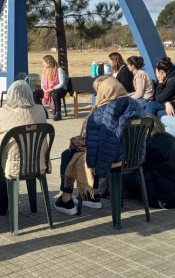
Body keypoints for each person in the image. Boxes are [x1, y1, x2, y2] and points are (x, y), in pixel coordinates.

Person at [54, 76, 145, 215]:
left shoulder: (101, 113)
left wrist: (74, 142)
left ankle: (67, 199)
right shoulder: (135, 105)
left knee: (68, 154)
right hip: (133, 158)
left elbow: (92, 142)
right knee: (94, 150)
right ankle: (91, 195)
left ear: (104, 92)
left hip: (112, 160)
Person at [0, 80, 48, 215]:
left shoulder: (3, 113)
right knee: (6, 155)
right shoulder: (40, 110)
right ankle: (31, 205)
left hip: (11, 165)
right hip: (37, 163)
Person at [123, 115, 175, 209]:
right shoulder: (171, 138)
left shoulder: (150, 147)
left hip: (170, 199)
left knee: (124, 173)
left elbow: (136, 168)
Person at [40, 55, 68, 121]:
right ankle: (43, 111)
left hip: (59, 89)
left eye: (44, 62)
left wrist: (52, 89)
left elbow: (62, 83)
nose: (43, 64)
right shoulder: (44, 71)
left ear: (48, 62)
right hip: (47, 89)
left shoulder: (59, 69)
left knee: (55, 94)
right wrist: (44, 89)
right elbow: (42, 83)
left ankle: (58, 113)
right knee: (35, 93)